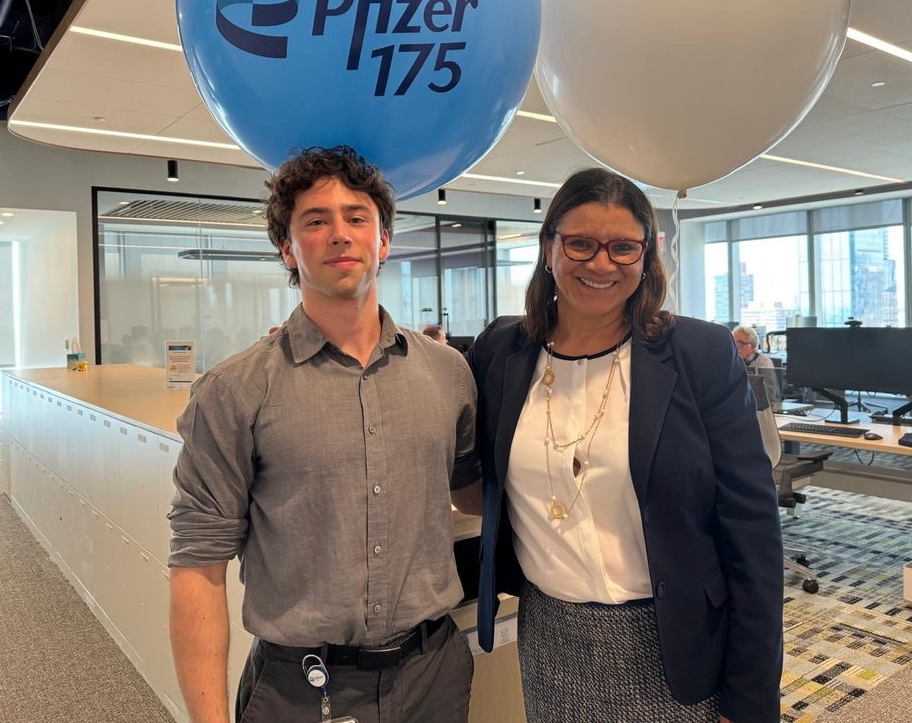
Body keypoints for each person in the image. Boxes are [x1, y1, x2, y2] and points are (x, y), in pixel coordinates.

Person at [456, 168, 783, 723]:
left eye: (623, 247)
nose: (601, 264)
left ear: (646, 256)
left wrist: (751, 698)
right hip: (550, 639)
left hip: (679, 643)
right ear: (549, 247)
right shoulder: (501, 351)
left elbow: (752, 529)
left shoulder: (699, 353)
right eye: (580, 243)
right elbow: (467, 465)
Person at [167, 145, 479, 723]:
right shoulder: (235, 390)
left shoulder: (448, 373)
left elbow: (470, 490)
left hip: (432, 676)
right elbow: (198, 564)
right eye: (315, 221)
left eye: (357, 217)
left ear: (383, 242)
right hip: (301, 688)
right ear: (288, 249)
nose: (339, 234)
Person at [733, 324, 780, 402]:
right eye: (733, 344)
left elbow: (770, 392)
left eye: (740, 344)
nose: (736, 348)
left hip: (761, 405)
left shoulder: (763, 362)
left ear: (753, 345)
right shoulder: (733, 361)